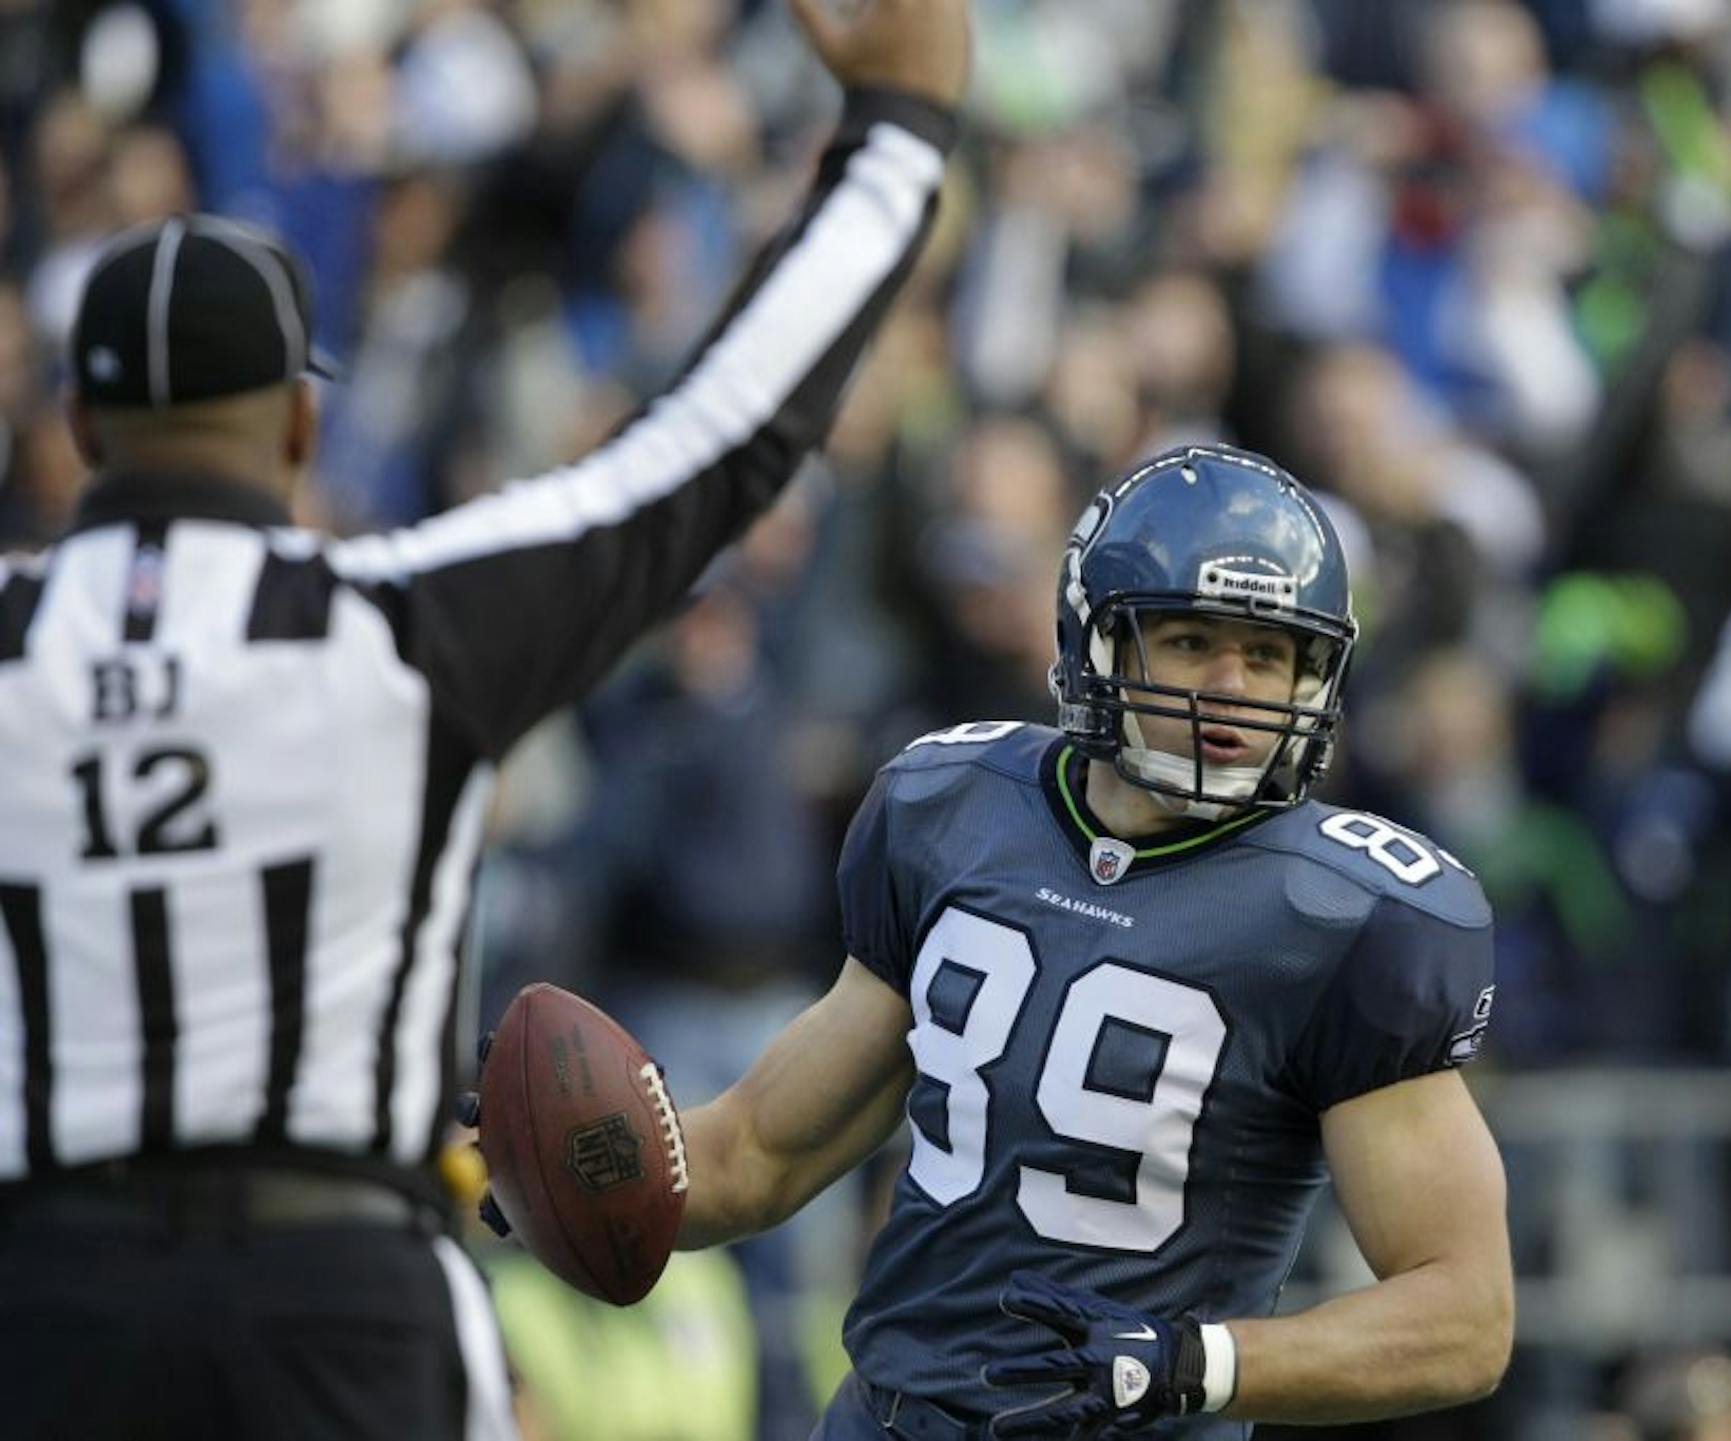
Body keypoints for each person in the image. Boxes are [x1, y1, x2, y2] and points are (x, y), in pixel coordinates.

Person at [0, 2, 967, 1437]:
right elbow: (717, 440)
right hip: (338, 1286)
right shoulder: (397, 629)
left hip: (42, 1293)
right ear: (296, 428)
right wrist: (900, 137)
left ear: (76, 429)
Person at [557, 443, 1515, 1438]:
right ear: (1097, 641)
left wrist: (1201, 1362)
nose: (1234, 686)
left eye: (1270, 654)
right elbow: (756, 1154)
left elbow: (1464, 1315)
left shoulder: (1350, 915)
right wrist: (578, 1167)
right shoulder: (952, 807)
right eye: (1192, 641)